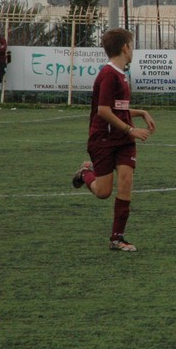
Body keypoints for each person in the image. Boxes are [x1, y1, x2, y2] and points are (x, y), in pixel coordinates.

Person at [70, 28, 156, 252]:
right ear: (125, 48)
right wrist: (130, 129)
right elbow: (103, 111)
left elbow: (119, 108)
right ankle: (85, 173)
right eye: (131, 45)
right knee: (103, 192)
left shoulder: (121, 74)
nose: (133, 49)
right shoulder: (108, 74)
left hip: (123, 140)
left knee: (126, 181)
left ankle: (117, 238)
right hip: (104, 139)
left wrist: (141, 113)